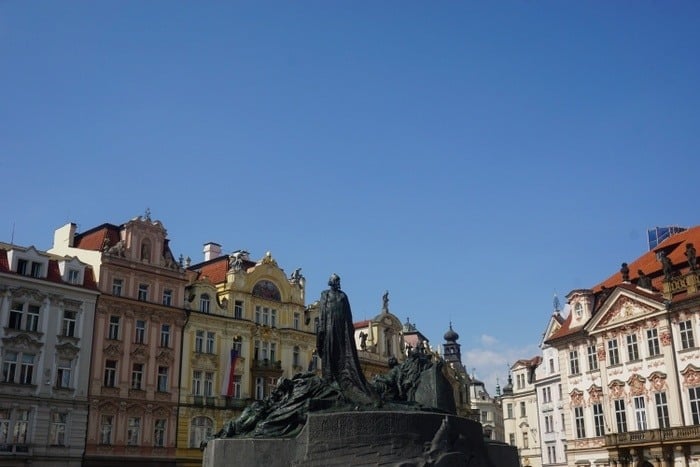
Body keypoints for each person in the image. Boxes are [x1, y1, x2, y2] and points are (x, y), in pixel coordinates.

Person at [317, 274, 375, 401]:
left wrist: (350, 330)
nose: (338, 282)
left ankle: (342, 380)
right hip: (329, 327)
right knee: (330, 352)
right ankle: (330, 380)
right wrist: (321, 328)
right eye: (336, 280)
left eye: (339, 280)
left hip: (342, 328)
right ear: (331, 282)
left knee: (343, 354)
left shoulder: (343, 296)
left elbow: (348, 315)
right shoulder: (324, 294)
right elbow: (322, 313)